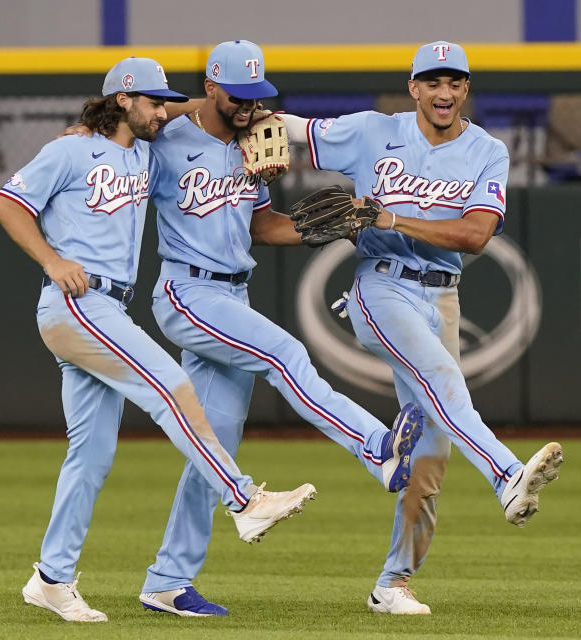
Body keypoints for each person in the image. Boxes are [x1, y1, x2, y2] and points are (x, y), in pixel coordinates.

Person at [0, 57, 317, 624]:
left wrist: (239, 127)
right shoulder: (71, 150)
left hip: (110, 304)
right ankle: (243, 499)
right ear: (122, 99)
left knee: (90, 458)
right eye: (152, 100)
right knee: (169, 385)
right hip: (78, 302)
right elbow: (7, 203)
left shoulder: (145, 150)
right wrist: (51, 259)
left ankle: (51, 578)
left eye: (167, 101)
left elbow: (196, 110)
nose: (163, 110)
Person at [136, 40, 425, 617]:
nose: (250, 106)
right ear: (211, 87)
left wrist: (326, 227)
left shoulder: (253, 142)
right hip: (186, 289)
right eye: (238, 96)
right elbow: (131, 115)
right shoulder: (166, 141)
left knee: (214, 447)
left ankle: (166, 581)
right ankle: (378, 451)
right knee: (284, 353)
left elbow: (262, 225)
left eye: (257, 95)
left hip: (230, 290)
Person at [277, 41, 564, 614]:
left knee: (431, 453)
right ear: (413, 88)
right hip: (378, 285)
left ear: (465, 89)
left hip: (444, 296)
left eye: (454, 82)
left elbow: (477, 236)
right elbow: (280, 126)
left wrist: (390, 215)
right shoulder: (370, 131)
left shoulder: (486, 150)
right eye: (431, 81)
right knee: (440, 378)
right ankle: (507, 474)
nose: (443, 92)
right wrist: (182, 118)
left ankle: (393, 584)